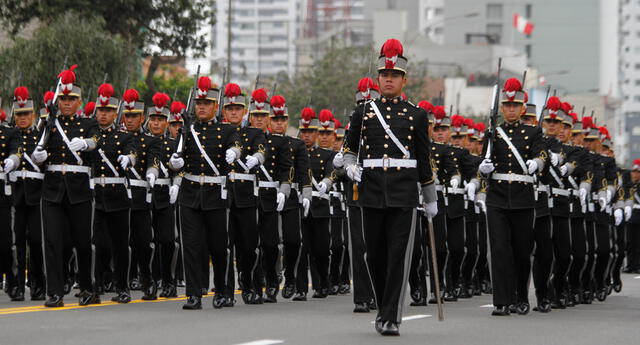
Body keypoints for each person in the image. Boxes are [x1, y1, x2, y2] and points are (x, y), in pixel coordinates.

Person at [343, 38, 437, 335]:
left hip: (403, 193)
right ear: (378, 77)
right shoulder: (363, 112)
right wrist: (349, 167)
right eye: (384, 75)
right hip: (370, 191)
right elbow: (349, 148)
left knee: (398, 256)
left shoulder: (416, 115)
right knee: (375, 254)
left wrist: (430, 196)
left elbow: (424, 159)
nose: (388, 80)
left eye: (394, 75)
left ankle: (390, 316)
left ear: (403, 79)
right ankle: (384, 304)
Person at [168, 76, 241, 310]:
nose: (201, 107)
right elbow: (177, 156)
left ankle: (222, 291)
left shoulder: (226, 129)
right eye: (198, 103)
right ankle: (193, 293)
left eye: (206, 103)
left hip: (215, 194)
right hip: (190, 193)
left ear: (215, 107)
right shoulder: (187, 130)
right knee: (190, 244)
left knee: (219, 247)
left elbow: (236, 144)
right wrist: (174, 163)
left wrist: (235, 153)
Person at [32, 65, 101, 307]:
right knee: (51, 241)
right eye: (63, 99)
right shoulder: (48, 124)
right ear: (57, 100)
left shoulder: (89, 124)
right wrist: (37, 157)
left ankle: (87, 287)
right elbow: (37, 150)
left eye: (72, 99)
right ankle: (54, 292)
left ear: (79, 101)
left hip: (78, 188)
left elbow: (96, 141)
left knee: (82, 241)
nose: (67, 103)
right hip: (52, 188)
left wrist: (85, 143)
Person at [478, 77, 545, 316]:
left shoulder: (534, 132)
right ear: (502, 108)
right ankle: (501, 300)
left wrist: (536, 163)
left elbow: (542, 156)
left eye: (515, 105)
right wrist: (483, 168)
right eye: (507, 106)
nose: (511, 109)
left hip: (522, 198)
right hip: (497, 197)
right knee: (498, 249)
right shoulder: (493, 134)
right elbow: (482, 164)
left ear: (523, 107)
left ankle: (519, 296)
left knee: (521, 251)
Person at [222, 83, 264, 305]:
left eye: (238, 108)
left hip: (247, 195)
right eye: (230, 109)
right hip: (223, 196)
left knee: (249, 246)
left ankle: (248, 281)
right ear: (223, 111)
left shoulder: (254, 133)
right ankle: (227, 292)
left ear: (244, 111)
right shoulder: (217, 133)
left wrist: (257, 158)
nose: (234, 112)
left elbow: (261, 149)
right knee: (226, 247)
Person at [251, 93, 293, 303]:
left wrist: (283, 190)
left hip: (269, 195)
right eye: (255, 115)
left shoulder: (279, 142)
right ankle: (255, 285)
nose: (259, 119)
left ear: (269, 117)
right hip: (248, 196)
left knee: (269, 243)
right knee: (251, 244)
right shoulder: (243, 137)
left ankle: (272, 280)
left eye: (263, 115)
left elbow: (287, 170)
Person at [121, 89, 162, 301]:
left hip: (139, 197)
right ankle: (121, 284)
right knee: (119, 243)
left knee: (143, 242)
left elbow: (154, 161)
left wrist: (152, 174)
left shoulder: (150, 141)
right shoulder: (115, 138)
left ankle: (147, 280)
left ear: (141, 118)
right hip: (118, 197)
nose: (130, 119)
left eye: (134, 115)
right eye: (127, 115)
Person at [146, 94, 180, 298]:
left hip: (166, 195)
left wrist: (176, 184)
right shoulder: (140, 142)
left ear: (167, 123)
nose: (156, 123)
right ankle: (150, 280)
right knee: (145, 241)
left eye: (160, 120)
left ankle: (169, 280)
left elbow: (181, 169)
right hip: (144, 195)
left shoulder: (173, 145)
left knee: (166, 240)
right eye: (153, 119)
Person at [2, 88, 30, 301]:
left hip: (2, 191)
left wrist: (13, 160)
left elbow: (17, 150)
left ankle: (11, 281)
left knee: (4, 242)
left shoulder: (8, 133)